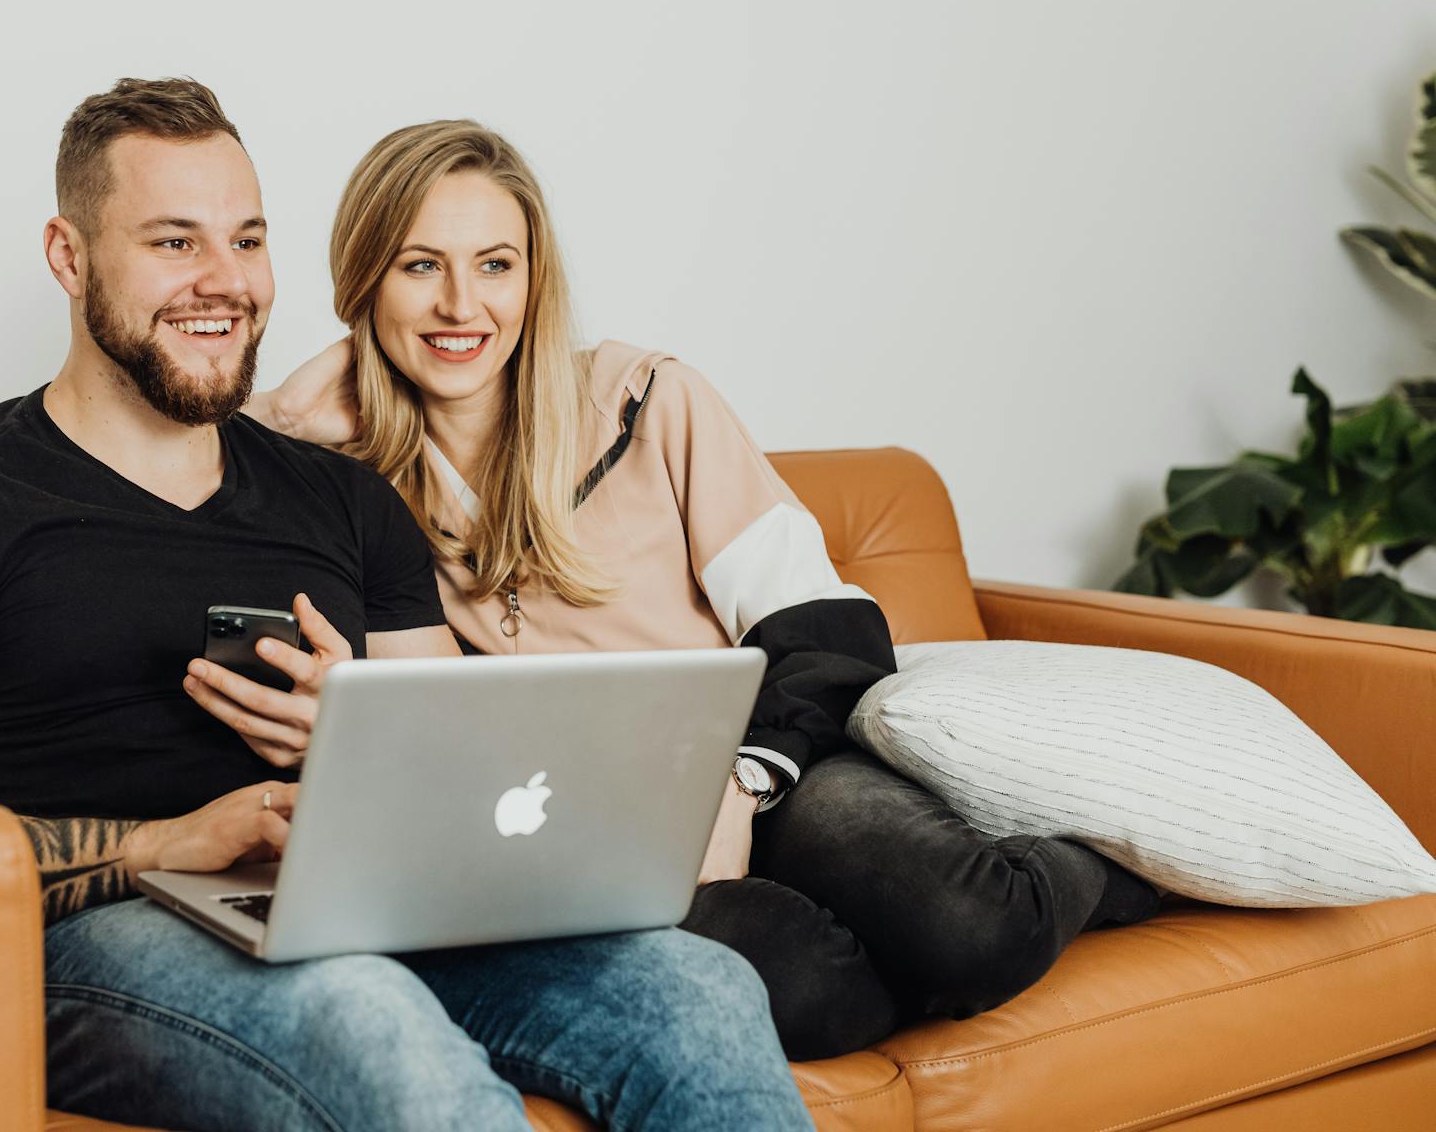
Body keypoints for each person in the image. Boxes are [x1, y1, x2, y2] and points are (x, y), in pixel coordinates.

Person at [0, 79, 813, 1132]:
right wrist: (163, 843)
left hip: (361, 903)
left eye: (247, 241)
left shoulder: (346, 500)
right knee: (365, 1018)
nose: (226, 281)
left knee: (699, 991)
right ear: (68, 255)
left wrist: (365, 728)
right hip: (102, 929)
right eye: (175, 242)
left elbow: (465, 782)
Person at [243, 119, 1162, 1059]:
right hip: (596, 836)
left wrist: (736, 784)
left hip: (771, 770)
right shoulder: (348, 488)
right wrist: (276, 415)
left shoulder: (648, 402)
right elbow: (213, 539)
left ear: (533, 279)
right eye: (419, 266)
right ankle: (911, 965)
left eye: (495, 265)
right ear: (365, 281)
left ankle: (1104, 871)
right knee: (800, 992)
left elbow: (826, 633)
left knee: (972, 928)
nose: (461, 304)